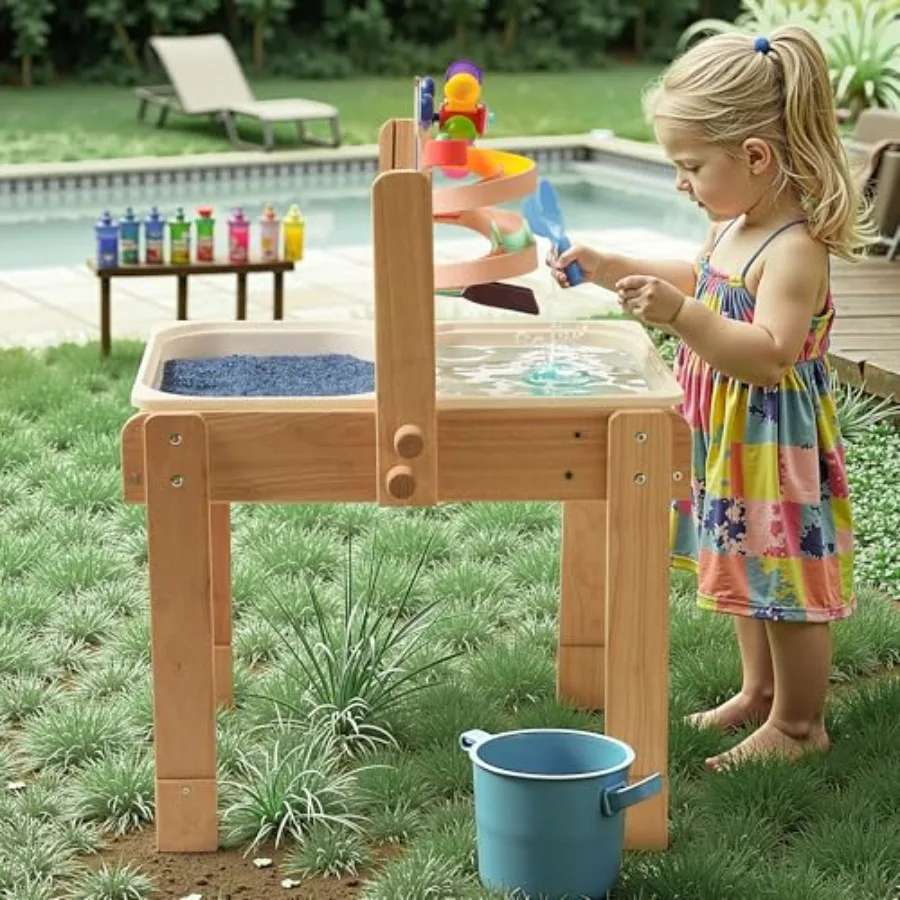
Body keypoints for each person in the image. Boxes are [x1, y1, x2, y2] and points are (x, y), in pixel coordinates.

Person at [549, 26, 873, 769]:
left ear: (755, 156)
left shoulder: (794, 246)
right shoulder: (735, 222)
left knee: (785, 576)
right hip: (731, 436)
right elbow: (703, 279)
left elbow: (769, 354)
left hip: (773, 441)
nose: (680, 182)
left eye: (690, 165)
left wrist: (679, 318)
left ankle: (799, 725)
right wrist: (611, 266)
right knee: (744, 563)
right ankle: (758, 693)